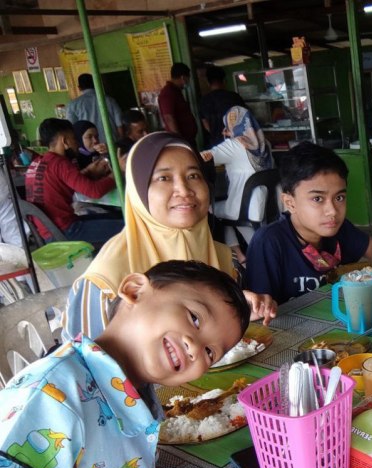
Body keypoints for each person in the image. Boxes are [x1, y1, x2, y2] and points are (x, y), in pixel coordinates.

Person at [0, 259, 250, 468]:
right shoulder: (57, 392)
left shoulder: (138, 397)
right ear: (134, 290)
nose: (195, 347)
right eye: (194, 318)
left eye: (210, 351)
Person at [63, 132, 276, 341]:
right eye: (163, 178)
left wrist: (239, 314)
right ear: (138, 191)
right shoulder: (106, 283)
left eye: (193, 176)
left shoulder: (224, 260)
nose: (184, 190)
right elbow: (83, 359)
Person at [245, 141, 372, 305]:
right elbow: (259, 308)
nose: (332, 211)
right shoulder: (268, 242)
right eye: (317, 199)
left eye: (339, 198)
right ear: (290, 203)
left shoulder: (340, 229)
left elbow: (371, 248)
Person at [24, 118, 122, 245]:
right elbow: (95, 192)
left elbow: (67, 183)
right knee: (128, 227)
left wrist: (89, 171)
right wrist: (120, 171)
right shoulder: (60, 163)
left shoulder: (36, 163)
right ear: (65, 141)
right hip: (64, 232)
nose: (77, 144)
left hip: (48, 232)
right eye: (74, 139)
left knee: (118, 217)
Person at [200, 106, 272, 264]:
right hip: (267, 205)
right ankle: (245, 254)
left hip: (243, 207)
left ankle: (239, 254)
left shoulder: (235, 145)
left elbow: (204, 157)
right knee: (229, 217)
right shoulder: (263, 142)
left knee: (210, 209)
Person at [66, 73, 123, 144]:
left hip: (89, 146)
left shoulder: (73, 104)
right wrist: (121, 142)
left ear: (79, 88)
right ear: (95, 85)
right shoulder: (110, 100)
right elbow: (119, 124)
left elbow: (71, 128)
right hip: (111, 144)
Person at [199, 65, 247, 148]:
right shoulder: (234, 97)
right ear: (224, 80)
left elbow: (206, 124)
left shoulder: (204, 101)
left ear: (208, 82)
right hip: (236, 142)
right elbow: (244, 119)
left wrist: (216, 132)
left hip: (216, 144)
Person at [158, 63, 198, 145]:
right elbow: (168, 117)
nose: (188, 82)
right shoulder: (168, 92)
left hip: (188, 139)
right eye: (188, 79)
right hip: (182, 141)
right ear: (183, 78)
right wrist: (180, 141)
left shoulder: (176, 91)